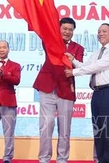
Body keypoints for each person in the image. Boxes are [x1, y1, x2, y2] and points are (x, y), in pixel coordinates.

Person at [65, 23, 109, 163]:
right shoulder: (97, 52)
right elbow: (86, 66)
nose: (101, 34)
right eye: (99, 31)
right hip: (97, 93)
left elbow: (98, 66)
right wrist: (73, 61)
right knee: (99, 130)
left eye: (104, 31)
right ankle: (102, 160)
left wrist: (73, 72)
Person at [33, 17, 84, 163]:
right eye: (64, 28)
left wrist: (72, 59)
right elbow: (43, 30)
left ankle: (62, 159)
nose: (67, 32)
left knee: (65, 127)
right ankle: (44, 158)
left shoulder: (78, 48)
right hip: (47, 86)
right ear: (59, 29)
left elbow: (78, 66)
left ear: (73, 31)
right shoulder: (50, 42)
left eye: (70, 29)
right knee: (46, 124)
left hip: (66, 89)